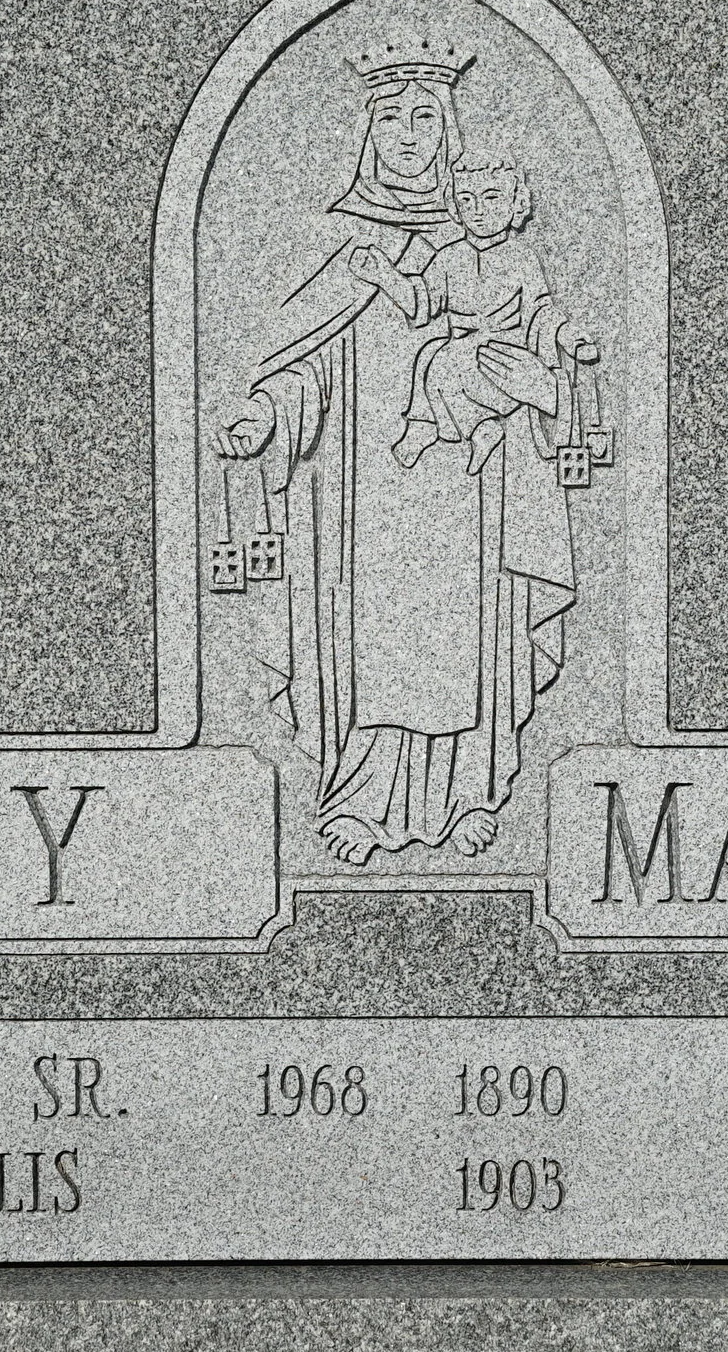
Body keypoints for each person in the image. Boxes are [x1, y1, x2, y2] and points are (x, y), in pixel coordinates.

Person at [213, 43, 584, 866]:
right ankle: (356, 797)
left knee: (468, 639)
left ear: (451, 134)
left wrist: (544, 378)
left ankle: (470, 795)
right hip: (360, 498)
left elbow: (539, 342)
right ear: (367, 132)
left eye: (426, 118)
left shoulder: (486, 249)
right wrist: (265, 416)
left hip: (471, 484)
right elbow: (303, 361)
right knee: (372, 641)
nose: (409, 136)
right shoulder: (345, 245)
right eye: (391, 119)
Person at [353, 154, 599, 474]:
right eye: (467, 199)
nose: (478, 211)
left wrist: (568, 335)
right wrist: (386, 277)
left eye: (492, 197)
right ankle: (438, 427)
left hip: (502, 365)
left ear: (516, 204)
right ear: (455, 205)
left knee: (441, 361)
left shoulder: (521, 258)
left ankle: (470, 427)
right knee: (431, 354)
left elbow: (541, 311)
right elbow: (420, 300)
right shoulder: (448, 258)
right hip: (459, 363)